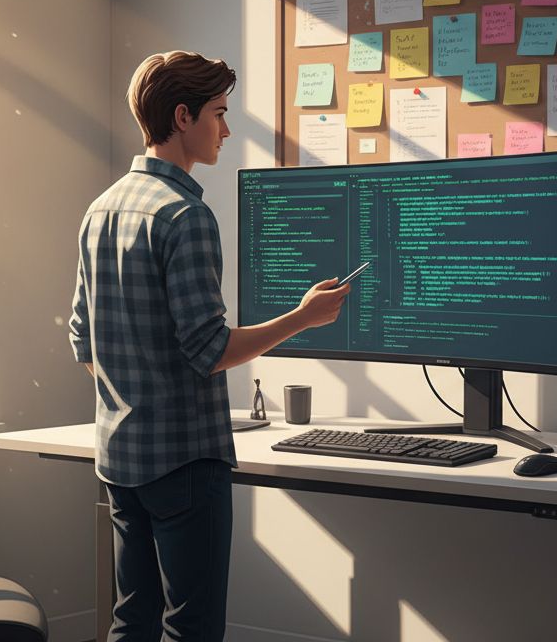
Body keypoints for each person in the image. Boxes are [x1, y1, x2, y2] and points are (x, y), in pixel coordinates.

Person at [68, 50, 350, 640]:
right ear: (181, 117)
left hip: (121, 460)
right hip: (185, 463)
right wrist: (302, 317)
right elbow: (211, 350)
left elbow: (82, 338)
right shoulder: (183, 214)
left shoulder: (101, 208)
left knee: (132, 618)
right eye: (219, 114)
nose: (226, 129)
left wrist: (135, 389)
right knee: (192, 627)